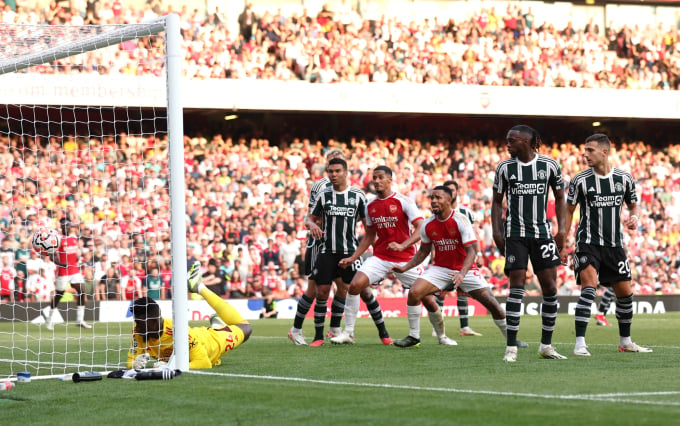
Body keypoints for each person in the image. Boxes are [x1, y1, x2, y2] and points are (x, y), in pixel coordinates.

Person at [331, 166, 457, 346]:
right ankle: (348, 333)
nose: (376, 180)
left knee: (427, 299)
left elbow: (420, 227)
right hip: (380, 257)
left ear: (390, 179)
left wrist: (403, 245)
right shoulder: (370, 206)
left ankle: (442, 336)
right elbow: (369, 236)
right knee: (355, 285)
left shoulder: (404, 201)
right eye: (374, 177)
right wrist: (353, 257)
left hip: (406, 259)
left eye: (380, 177)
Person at [561, 133, 652, 356]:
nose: (585, 155)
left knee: (625, 293)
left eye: (590, 150)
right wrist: (563, 241)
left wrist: (635, 218)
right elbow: (569, 210)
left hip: (614, 245)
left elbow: (633, 205)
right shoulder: (580, 180)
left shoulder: (624, 179)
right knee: (589, 287)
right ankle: (580, 343)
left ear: (604, 151)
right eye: (584, 150)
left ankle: (626, 342)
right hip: (588, 243)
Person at [289, 149, 391, 346]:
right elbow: (310, 217)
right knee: (317, 290)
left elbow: (369, 227)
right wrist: (312, 225)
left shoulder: (357, 195)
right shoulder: (321, 189)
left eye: (338, 169)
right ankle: (303, 331)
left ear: (346, 169)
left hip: (349, 250)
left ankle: (342, 329)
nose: (334, 174)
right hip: (321, 247)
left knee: (352, 289)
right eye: (331, 170)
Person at [389, 186, 511, 348]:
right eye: (432, 198)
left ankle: (512, 340)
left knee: (493, 306)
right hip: (441, 269)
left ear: (448, 200)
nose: (433, 201)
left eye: (438, 198)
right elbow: (423, 252)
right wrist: (405, 268)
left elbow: (471, 252)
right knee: (414, 292)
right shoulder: (427, 225)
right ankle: (414, 336)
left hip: (466, 270)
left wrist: (461, 273)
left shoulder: (460, 220)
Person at [491, 124, 567, 362]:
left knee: (551, 288)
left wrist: (562, 229)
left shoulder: (549, 165)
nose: (507, 144)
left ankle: (546, 345)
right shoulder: (504, 168)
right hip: (515, 234)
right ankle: (511, 347)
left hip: (542, 234)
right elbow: (496, 202)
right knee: (516, 287)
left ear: (525, 141)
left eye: (511, 140)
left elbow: (560, 196)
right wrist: (496, 231)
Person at [127, 261, 252, 369]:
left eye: (141, 323)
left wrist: (171, 366)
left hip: (211, 343)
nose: (137, 327)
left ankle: (200, 287)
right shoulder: (139, 333)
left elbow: (204, 363)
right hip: (199, 336)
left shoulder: (177, 330)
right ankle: (217, 326)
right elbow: (130, 362)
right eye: (136, 322)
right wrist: (134, 364)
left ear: (154, 320)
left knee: (245, 327)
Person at [442, 179, 483, 337]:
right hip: (446, 255)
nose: (450, 193)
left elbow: (474, 235)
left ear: (457, 192)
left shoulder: (466, 212)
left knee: (462, 290)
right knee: (442, 290)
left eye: (452, 190)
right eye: (447, 190)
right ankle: (438, 327)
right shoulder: (440, 211)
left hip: (464, 256)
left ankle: (464, 327)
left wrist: (478, 254)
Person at [45, 225, 91, 330]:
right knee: (59, 295)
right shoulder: (57, 240)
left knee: (82, 291)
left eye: (69, 225)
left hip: (74, 270)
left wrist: (79, 257)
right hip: (62, 271)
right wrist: (60, 264)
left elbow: (75, 253)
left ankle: (80, 320)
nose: (67, 227)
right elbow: (51, 256)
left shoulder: (73, 239)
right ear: (61, 227)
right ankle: (49, 319)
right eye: (64, 225)